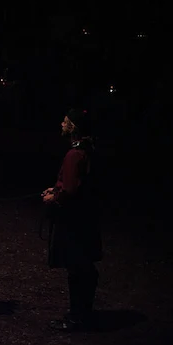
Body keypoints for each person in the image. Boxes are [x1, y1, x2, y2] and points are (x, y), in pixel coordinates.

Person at [42, 108, 102, 332]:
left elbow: (69, 191)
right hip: (85, 217)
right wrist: (56, 189)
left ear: (73, 127)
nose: (61, 124)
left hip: (72, 220)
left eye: (65, 121)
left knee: (77, 267)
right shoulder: (87, 150)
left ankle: (77, 317)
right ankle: (82, 314)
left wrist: (53, 197)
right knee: (83, 267)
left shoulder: (74, 154)